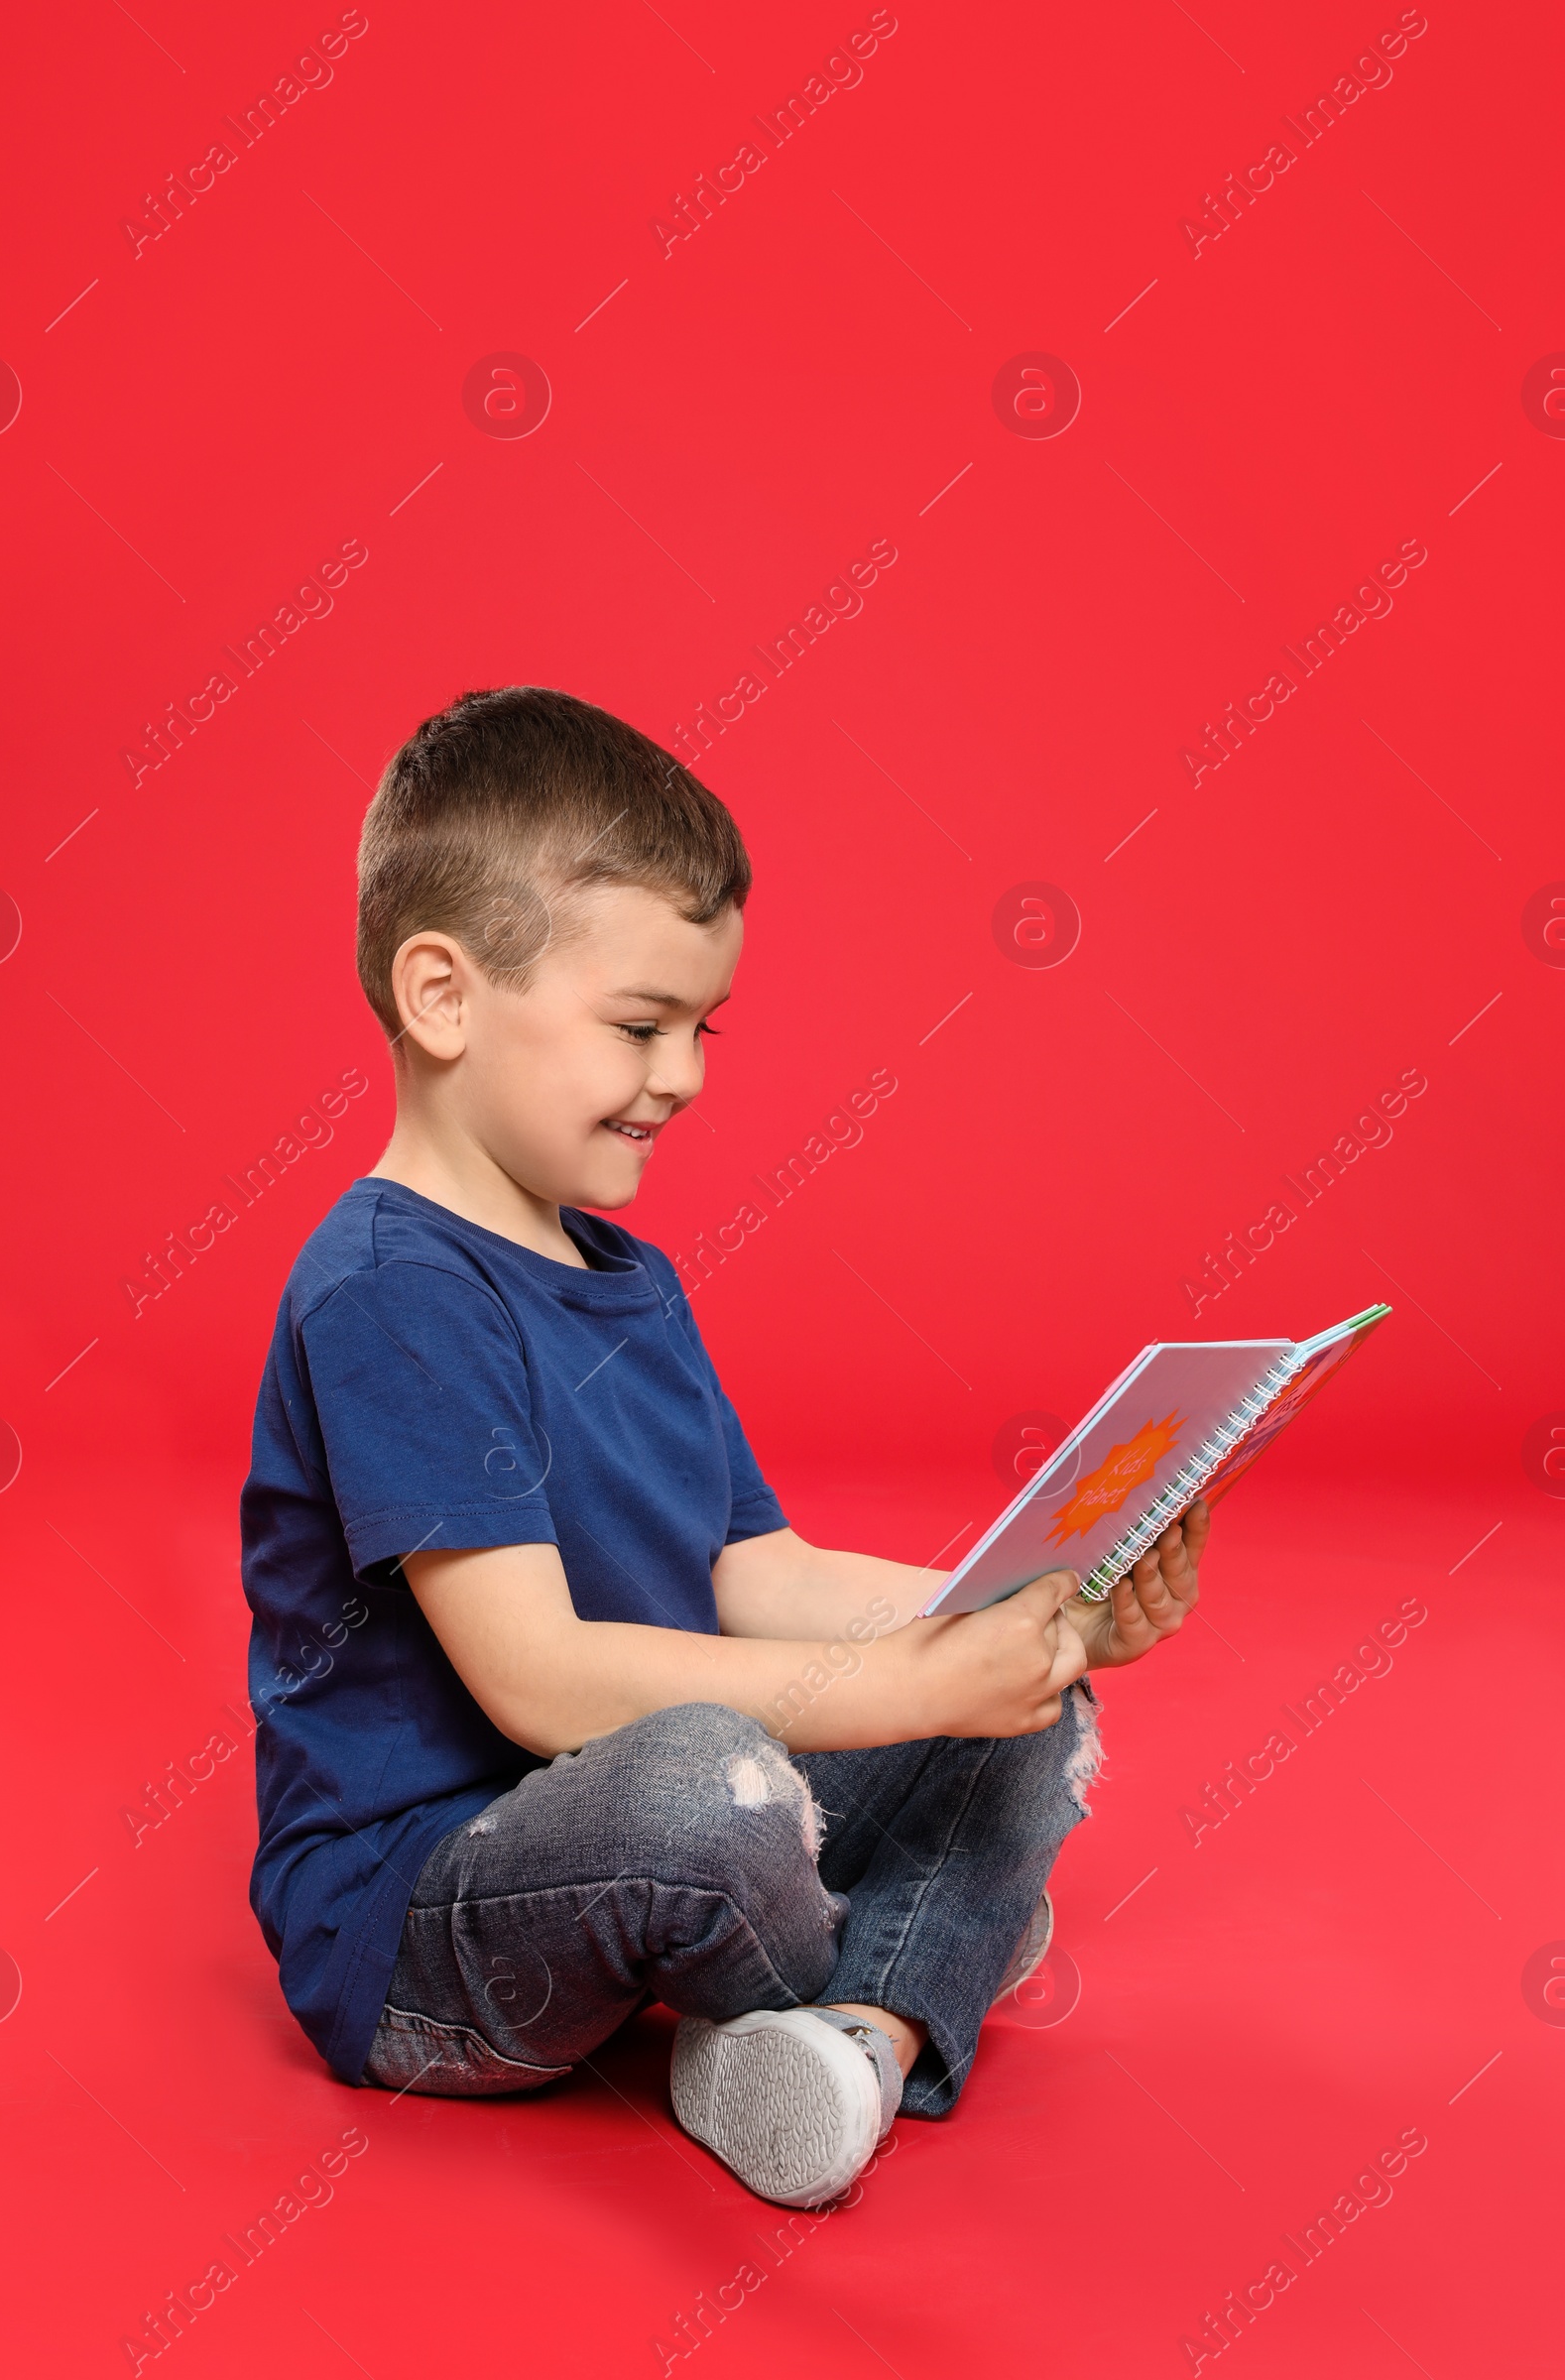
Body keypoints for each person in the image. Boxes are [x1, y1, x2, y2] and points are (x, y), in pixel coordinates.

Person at [240, 685, 1208, 2208]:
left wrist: (1017, 1615)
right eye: (640, 1026)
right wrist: (900, 1692)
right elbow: (534, 1679)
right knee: (713, 1778)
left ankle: (852, 2043)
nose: (684, 1074)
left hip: (663, 1839)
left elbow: (760, 1572)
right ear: (442, 997)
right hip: (424, 1915)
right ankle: (920, 1939)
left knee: (1035, 1715)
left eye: (704, 1027)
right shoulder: (388, 1292)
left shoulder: (634, 1283)